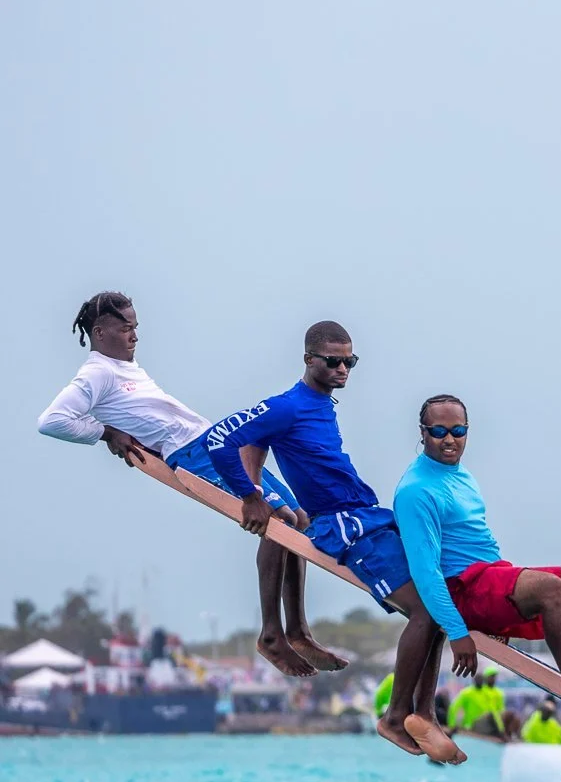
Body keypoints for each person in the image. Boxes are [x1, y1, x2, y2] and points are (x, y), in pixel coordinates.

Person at [38, 291, 343, 679]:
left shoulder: (127, 367)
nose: (134, 336)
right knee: (277, 520)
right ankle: (271, 635)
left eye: (136, 327)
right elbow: (51, 420)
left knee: (297, 518)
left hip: (211, 439)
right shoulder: (96, 373)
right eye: (125, 328)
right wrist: (106, 433)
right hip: (194, 455)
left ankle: (297, 630)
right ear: (100, 332)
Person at [203, 321, 462, 765]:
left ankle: (423, 714)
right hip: (344, 526)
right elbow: (220, 439)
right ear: (309, 360)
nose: (343, 369)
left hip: (369, 514)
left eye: (350, 361)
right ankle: (395, 717)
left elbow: (258, 446)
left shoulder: (321, 403)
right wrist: (251, 496)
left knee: (443, 600)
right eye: (333, 361)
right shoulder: (288, 405)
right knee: (426, 609)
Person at [391, 393, 561, 726]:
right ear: (422, 432)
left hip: (491, 577)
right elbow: (425, 572)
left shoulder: (462, 476)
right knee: (550, 589)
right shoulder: (416, 490)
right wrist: (458, 632)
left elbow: (480, 544)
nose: (450, 440)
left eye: (458, 432)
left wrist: (505, 603)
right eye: (439, 431)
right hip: (464, 589)